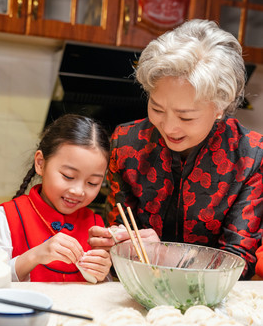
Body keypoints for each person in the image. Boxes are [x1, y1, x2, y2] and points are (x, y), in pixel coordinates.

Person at [88, 19, 263, 280]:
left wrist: (164, 254)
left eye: (186, 117)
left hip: (211, 300)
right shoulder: (127, 143)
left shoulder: (250, 154)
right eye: (157, 109)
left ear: (220, 107)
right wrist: (113, 241)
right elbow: (120, 236)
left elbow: (239, 262)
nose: (168, 127)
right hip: (139, 286)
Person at [0, 114, 112, 282]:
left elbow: (102, 291)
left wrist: (102, 273)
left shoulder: (95, 226)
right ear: (40, 163)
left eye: (93, 183)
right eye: (68, 176)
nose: (78, 191)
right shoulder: (8, 216)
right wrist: (35, 255)